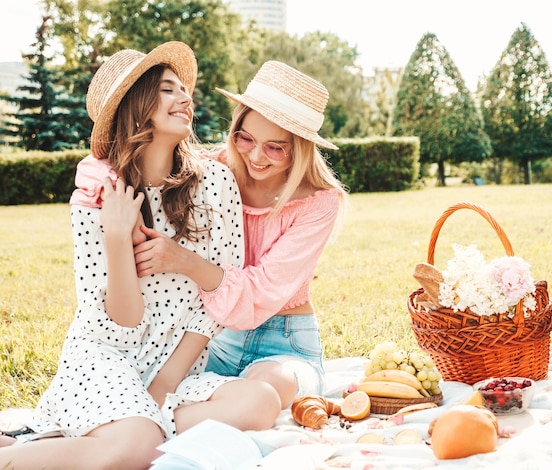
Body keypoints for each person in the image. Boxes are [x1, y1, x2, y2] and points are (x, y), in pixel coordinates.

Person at [0, 42, 281, 470]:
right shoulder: (96, 196)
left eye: (185, 90)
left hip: (177, 365)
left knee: (260, 402)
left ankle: (103, 433)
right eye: (168, 89)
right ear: (136, 106)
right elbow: (118, 323)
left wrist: (166, 383)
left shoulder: (217, 182)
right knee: (138, 445)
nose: (186, 98)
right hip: (105, 360)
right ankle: (21, 458)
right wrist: (116, 236)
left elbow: (219, 295)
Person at [71, 60, 348, 409]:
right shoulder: (217, 171)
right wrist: (100, 177)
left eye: (275, 147)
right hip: (216, 340)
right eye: (245, 138)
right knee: (157, 386)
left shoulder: (318, 203)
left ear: (301, 148)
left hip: (285, 339)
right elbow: (140, 155)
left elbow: (260, 293)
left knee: (270, 387)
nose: (256, 157)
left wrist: (185, 261)